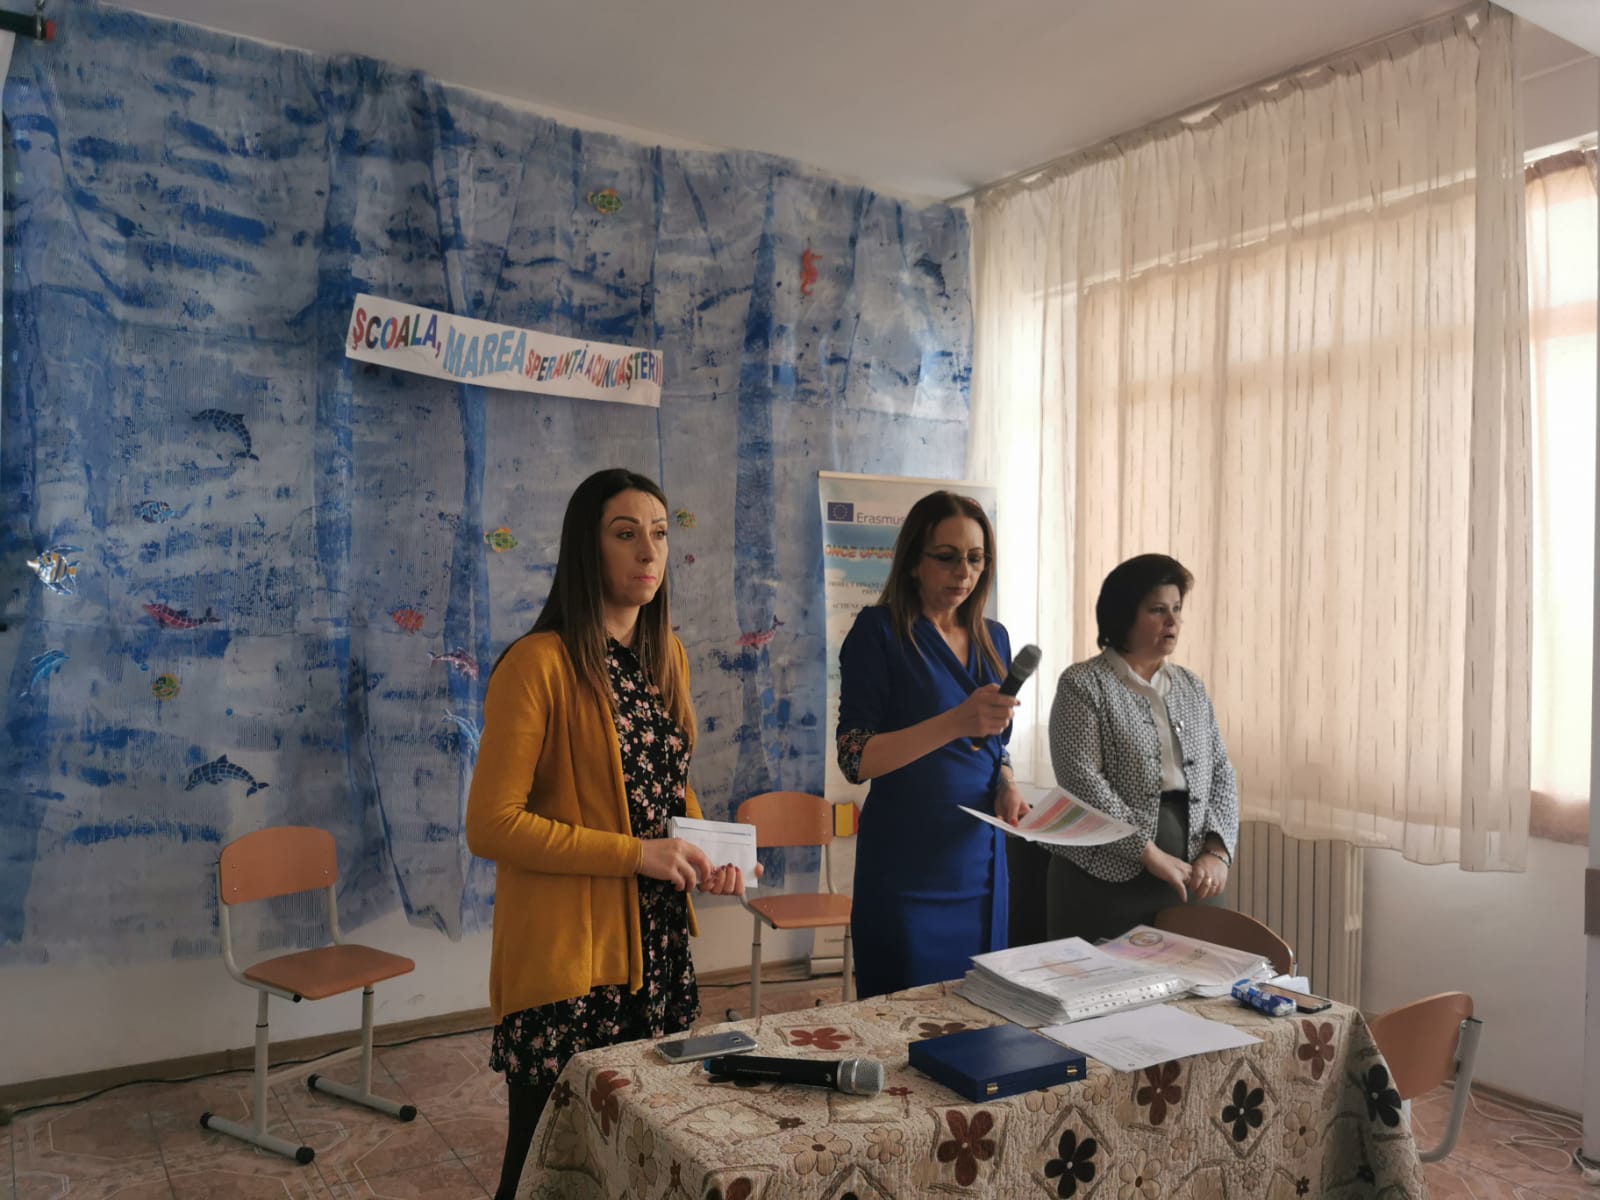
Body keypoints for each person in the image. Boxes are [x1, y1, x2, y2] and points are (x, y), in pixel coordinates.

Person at [466, 468, 748, 1200]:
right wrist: (637, 855)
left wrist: (704, 852)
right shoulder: (538, 664)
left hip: (656, 951)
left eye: (659, 534)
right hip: (568, 963)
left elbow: (665, 782)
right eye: (626, 535)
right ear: (587, 549)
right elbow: (491, 825)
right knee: (544, 1168)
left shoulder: (665, 655)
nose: (649, 552)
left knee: (639, 1157)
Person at [836, 490, 1029, 998]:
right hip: (906, 866)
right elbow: (855, 758)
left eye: (976, 558)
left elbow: (996, 747)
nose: (963, 572)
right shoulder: (878, 632)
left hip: (979, 862)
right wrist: (956, 721)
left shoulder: (995, 638)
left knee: (980, 1012)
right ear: (913, 562)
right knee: (904, 1017)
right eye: (946, 557)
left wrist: (1007, 782)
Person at [1045, 553, 1239, 943]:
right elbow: (1081, 781)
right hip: (1103, 874)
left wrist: (1218, 852)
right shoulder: (1083, 684)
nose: (1173, 622)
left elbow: (1222, 772)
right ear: (1123, 615)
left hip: (1191, 874)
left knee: (1194, 976)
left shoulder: (1191, 685)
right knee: (1104, 977)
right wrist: (1147, 853)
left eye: (1177, 609)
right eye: (1158, 610)